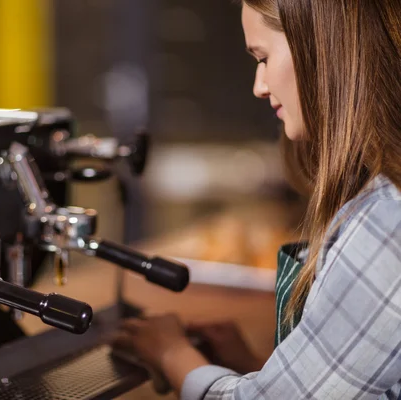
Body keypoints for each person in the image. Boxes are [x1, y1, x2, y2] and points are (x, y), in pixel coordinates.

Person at [112, 0, 401, 398]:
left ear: (321, 46)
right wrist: (253, 368)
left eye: (263, 58)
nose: (259, 85)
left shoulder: (385, 220)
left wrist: (171, 354)